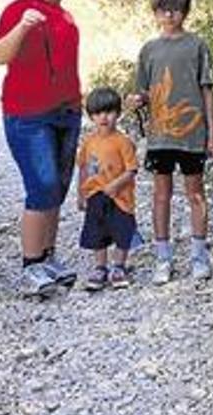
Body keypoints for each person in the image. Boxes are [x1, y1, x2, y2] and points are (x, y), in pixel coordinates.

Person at [0, 0, 82, 296]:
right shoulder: (17, 10)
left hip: (66, 111)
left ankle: (48, 256)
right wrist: (22, 27)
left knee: (57, 188)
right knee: (41, 186)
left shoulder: (64, 15)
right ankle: (30, 266)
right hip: (28, 114)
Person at [127, 0, 213, 286]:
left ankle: (199, 255)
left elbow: (206, 91)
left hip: (192, 133)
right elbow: (142, 90)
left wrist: (212, 133)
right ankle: (163, 256)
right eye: (163, 8)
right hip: (160, 135)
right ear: (155, 13)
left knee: (196, 194)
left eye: (176, 8)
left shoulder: (197, 45)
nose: (170, 14)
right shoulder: (149, 50)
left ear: (185, 12)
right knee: (160, 195)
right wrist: (136, 100)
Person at [77, 88, 139, 291]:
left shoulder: (123, 142)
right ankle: (100, 267)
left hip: (120, 196)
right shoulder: (88, 142)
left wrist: (116, 184)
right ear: (91, 116)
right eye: (97, 113)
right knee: (97, 232)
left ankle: (119, 266)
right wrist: (81, 193)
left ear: (118, 114)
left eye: (109, 112)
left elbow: (132, 170)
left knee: (123, 230)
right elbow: (84, 169)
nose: (103, 117)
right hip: (96, 194)